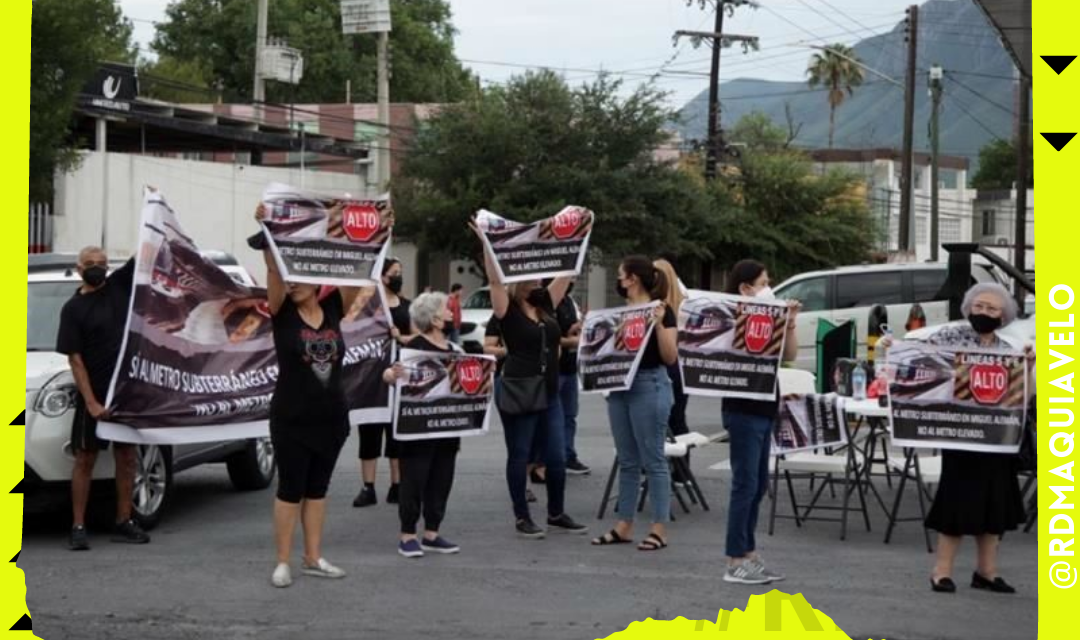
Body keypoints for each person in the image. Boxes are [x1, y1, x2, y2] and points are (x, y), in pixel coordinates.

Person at [885, 283, 1032, 594]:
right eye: (979, 306)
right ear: (968, 308)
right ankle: (941, 572)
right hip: (961, 437)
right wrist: (892, 348)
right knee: (956, 503)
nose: (984, 313)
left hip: (995, 441)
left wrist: (1028, 367)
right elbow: (917, 360)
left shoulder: (1008, 349)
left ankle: (987, 573)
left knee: (995, 507)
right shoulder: (948, 338)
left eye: (992, 309)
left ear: (1003, 315)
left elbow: (1021, 399)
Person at [255, 203, 361, 588]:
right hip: (291, 418)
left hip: (332, 419)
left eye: (300, 275)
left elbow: (357, 270)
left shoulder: (333, 308)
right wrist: (266, 227)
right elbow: (272, 268)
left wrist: (375, 232)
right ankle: (283, 561)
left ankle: (313, 557)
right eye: (289, 275)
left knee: (318, 490)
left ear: (317, 280)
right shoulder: (281, 312)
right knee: (291, 489)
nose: (292, 280)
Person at [471, 220, 588, 538]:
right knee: (520, 453)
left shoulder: (545, 303)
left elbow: (565, 272)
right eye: (533, 274)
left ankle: (556, 512)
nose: (539, 277)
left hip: (549, 391)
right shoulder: (506, 310)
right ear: (519, 280)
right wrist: (488, 243)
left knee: (555, 456)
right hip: (520, 390)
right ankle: (522, 516)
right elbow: (495, 279)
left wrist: (578, 236)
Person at [57, 247, 151, 551]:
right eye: (90, 264)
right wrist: (92, 402)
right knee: (85, 459)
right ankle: (78, 526)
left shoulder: (119, 288)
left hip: (125, 394)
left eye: (101, 263)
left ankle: (124, 520)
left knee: (127, 458)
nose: (97, 268)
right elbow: (76, 360)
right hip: (93, 397)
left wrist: (154, 205)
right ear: (79, 267)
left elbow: (145, 251)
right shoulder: (73, 309)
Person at [721, 259, 800, 584]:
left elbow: (790, 355)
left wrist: (790, 323)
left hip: (766, 405)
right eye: (764, 283)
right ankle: (733, 560)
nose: (769, 288)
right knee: (745, 485)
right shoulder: (730, 320)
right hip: (742, 407)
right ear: (746, 289)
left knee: (758, 486)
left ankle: (749, 553)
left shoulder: (771, 320)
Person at [591, 256, 677, 552]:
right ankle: (624, 524)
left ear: (633, 279)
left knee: (653, 459)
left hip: (649, 384)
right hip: (619, 387)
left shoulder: (661, 310)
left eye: (620, 275)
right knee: (627, 459)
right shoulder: (619, 314)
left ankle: (659, 528)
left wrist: (658, 325)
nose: (618, 280)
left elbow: (669, 357)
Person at [382, 292, 464, 558]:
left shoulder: (455, 350)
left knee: (442, 478)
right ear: (435, 319)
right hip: (416, 428)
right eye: (446, 309)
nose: (452, 312)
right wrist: (393, 374)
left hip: (447, 427)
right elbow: (388, 374)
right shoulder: (413, 349)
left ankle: (432, 533)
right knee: (414, 480)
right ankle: (407, 535)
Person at [354, 258, 412, 507]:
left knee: (396, 433)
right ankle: (368, 487)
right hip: (371, 376)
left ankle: (397, 485)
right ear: (382, 276)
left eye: (401, 272)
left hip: (398, 375)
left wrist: (401, 337)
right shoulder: (368, 306)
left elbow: (416, 337)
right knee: (369, 431)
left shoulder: (407, 306)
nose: (398, 277)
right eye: (394, 273)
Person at [654, 259, 689, 480]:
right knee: (678, 419)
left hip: (669, 367)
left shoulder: (661, 309)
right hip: (682, 369)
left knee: (660, 422)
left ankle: (657, 470)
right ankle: (682, 472)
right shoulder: (684, 304)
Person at [556, 280, 589, 476]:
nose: (573, 282)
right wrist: (573, 341)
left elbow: (566, 330)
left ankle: (568, 456)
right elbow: (551, 336)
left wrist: (578, 327)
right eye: (569, 278)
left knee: (569, 416)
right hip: (555, 369)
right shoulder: (549, 302)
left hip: (569, 368)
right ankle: (552, 458)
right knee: (553, 417)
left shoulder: (568, 301)